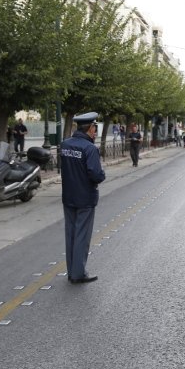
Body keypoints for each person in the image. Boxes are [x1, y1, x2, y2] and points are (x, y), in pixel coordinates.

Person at [59, 112, 106, 284]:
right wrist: (102, 174)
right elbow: (96, 175)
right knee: (82, 236)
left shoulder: (65, 144)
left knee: (70, 234)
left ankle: (71, 271)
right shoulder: (90, 148)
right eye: (95, 128)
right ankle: (78, 273)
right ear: (90, 128)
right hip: (85, 197)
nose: (95, 131)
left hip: (68, 196)